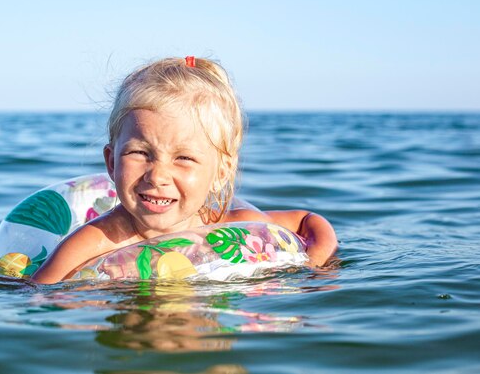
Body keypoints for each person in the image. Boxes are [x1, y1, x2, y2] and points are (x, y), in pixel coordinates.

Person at [31, 56, 337, 284]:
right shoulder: (93, 243)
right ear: (111, 162)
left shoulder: (234, 226)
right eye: (140, 152)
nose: (158, 176)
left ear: (221, 171)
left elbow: (309, 221)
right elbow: (37, 295)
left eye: (184, 158)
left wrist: (315, 265)